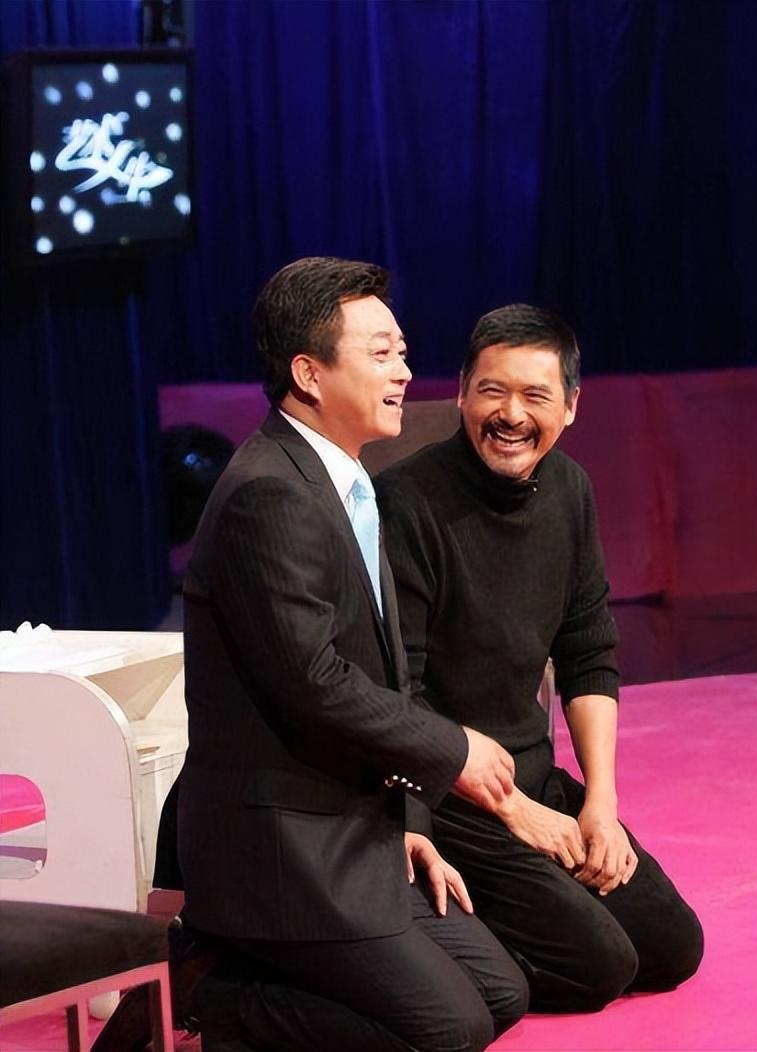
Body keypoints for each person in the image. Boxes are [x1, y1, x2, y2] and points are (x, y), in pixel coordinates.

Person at [148, 258, 528, 1052]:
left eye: (402, 352)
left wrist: (409, 818)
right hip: (282, 847)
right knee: (447, 1030)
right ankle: (217, 999)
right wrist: (452, 749)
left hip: (356, 827)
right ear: (308, 373)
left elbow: (382, 671)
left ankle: (255, 975)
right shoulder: (270, 494)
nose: (403, 373)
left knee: (501, 993)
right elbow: (314, 681)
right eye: (381, 354)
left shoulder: (340, 477)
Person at [375, 303, 704, 1015]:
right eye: (492, 391)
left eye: (535, 396)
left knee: (672, 947)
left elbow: (588, 651)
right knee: (599, 967)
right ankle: (444, 932)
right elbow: (401, 694)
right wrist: (515, 811)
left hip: (534, 777)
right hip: (450, 792)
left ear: (571, 406)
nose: (511, 416)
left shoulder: (570, 490)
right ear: (462, 392)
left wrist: (600, 805)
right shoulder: (405, 502)